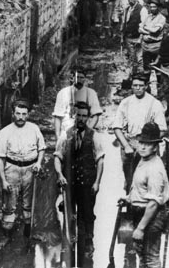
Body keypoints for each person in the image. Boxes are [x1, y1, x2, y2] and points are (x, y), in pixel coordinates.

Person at [54, 101, 105, 266]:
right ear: (74, 116)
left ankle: (88, 243)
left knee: (87, 215)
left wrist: (97, 182)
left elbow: (100, 161)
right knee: (69, 214)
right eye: (78, 115)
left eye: (84, 116)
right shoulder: (65, 135)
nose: (81, 119)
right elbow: (57, 157)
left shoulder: (94, 136)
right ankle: (68, 244)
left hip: (87, 184)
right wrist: (60, 174)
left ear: (89, 117)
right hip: (70, 184)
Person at [121, 122, 169, 268]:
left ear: (155, 147)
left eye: (147, 144)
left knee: (150, 259)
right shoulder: (143, 160)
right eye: (141, 142)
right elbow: (141, 188)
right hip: (141, 213)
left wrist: (141, 228)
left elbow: (154, 203)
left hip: (152, 217)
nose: (142, 147)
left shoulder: (155, 168)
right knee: (142, 256)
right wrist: (129, 198)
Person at [0, 99, 46, 235]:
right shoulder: (4, 132)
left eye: (24, 114)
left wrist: (39, 163)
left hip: (30, 169)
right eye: (18, 113)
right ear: (13, 114)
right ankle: (8, 234)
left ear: (28, 114)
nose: (21, 117)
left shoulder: (34, 129)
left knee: (29, 204)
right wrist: (3, 180)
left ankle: (27, 234)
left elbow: (41, 148)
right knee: (9, 205)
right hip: (12, 169)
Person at [113, 74, 167, 191]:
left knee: (148, 178)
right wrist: (126, 146)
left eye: (141, 86)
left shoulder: (154, 103)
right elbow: (117, 127)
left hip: (147, 144)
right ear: (131, 86)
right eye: (135, 85)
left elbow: (162, 129)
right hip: (129, 144)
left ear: (146, 86)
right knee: (130, 179)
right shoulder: (125, 103)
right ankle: (130, 200)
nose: (138, 88)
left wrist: (148, 144)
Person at [52, 66, 102, 138]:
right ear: (72, 78)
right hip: (66, 131)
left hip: (84, 130)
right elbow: (58, 116)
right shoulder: (63, 93)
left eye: (82, 77)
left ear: (85, 79)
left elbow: (95, 115)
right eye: (77, 77)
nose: (79, 80)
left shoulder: (91, 93)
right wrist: (58, 136)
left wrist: (88, 131)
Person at [122, 0, 148, 76]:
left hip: (137, 37)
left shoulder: (142, 9)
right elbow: (125, 23)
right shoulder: (127, 9)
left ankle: (141, 74)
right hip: (128, 37)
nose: (131, 1)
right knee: (131, 57)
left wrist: (140, 38)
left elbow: (144, 25)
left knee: (139, 57)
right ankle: (132, 74)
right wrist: (122, 37)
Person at [139, 0, 165, 74]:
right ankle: (146, 84)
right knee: (146, 68)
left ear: (158, 8)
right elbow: (140, 29)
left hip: (156, 46)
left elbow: (155, 30)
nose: (152, 9)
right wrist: (148, 32)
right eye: (151, 7)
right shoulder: (148, 17)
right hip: (145, 46)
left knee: (157, 68)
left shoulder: (162, 18)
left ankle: (159, 84)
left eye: (154, 7)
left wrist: (145, 28)